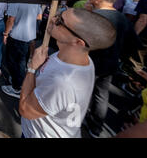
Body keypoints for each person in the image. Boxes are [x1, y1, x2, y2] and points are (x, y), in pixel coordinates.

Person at [20, 8, 116, 138]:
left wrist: (32, 68)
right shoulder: (83, 59)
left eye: (60, 21)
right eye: (59, 15)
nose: (53, 19)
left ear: (78, 42)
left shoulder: (63, 81)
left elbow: (25, 110)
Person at [83, 0, 136, 138]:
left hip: (90, 62)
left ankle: (77, 121)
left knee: (83, 92)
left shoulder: (95, 16)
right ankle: (96, 127)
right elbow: (133, 43)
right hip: (110, 63)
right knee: (101, 94)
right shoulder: (121, 17)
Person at [1, 3, 42, 99]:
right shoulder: (35, 1)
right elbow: (39, 17)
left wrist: (5, 34)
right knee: (22, 62)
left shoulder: (16, 2)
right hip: (29, 36)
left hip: (17, 36)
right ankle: (19, 81)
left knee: (13, 63)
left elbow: (11, 20)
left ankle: (17, 88)